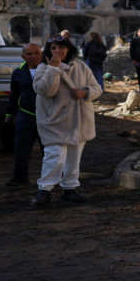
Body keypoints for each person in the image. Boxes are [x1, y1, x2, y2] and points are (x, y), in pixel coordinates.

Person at [30, 35, 102, 207]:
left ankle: (70, 189)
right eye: (54, 48)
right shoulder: (43, 67)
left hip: (79, 121)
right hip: (55, 121)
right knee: (55, 156)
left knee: (74, 158)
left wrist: (85, 93)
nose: (58, 51)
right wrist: (53, 69)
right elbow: (45, 90)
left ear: (68, 48)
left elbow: (97, 88)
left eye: (61, 48)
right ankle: (44, 190)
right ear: (49, 50)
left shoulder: (81, 66)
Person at [4, 43, 43, 187]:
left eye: (36, 53)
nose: (34, 57)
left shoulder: (50, 71)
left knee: (50, 151)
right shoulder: (18, 73)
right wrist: (9, 113)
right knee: (21, 149)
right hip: (25, 116)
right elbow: (14, 95)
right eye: (29, 54)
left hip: (46, 117)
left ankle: (53, 179)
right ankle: (20, 178)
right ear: (23, 57)